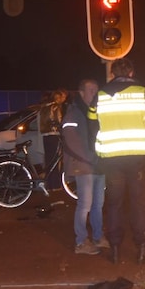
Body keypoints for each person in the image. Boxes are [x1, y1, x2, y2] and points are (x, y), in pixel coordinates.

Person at [89, 58, 145, 264]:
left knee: (114, 204)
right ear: (131, 72)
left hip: (111, 158)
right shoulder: (144, 93)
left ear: (112, 73)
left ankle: (114, 248)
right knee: (138, 203)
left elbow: (93, 125)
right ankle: (141, 248)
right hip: (137, 157)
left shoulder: (100, 96)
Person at [62, 79, 108, 255]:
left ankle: (97, 237)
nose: (94, 93)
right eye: (91, 90)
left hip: (98, 164)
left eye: (96, 90)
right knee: (85, 204)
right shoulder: (74, 112)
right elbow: (71, 139)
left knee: (98, 204)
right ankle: (81, 242)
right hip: (84, 164)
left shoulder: (97, 112)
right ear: (81, 92)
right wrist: (89, 158)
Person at [39, 88, 68, 190]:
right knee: (56, 161)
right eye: (63, 97)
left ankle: (49, 184)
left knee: (49, 160)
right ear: (58, 97)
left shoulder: (44, 106)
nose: (64, 99)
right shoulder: (55, 106)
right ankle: (55, 184)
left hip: (45, 135)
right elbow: (58, 121)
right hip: (54, 135)